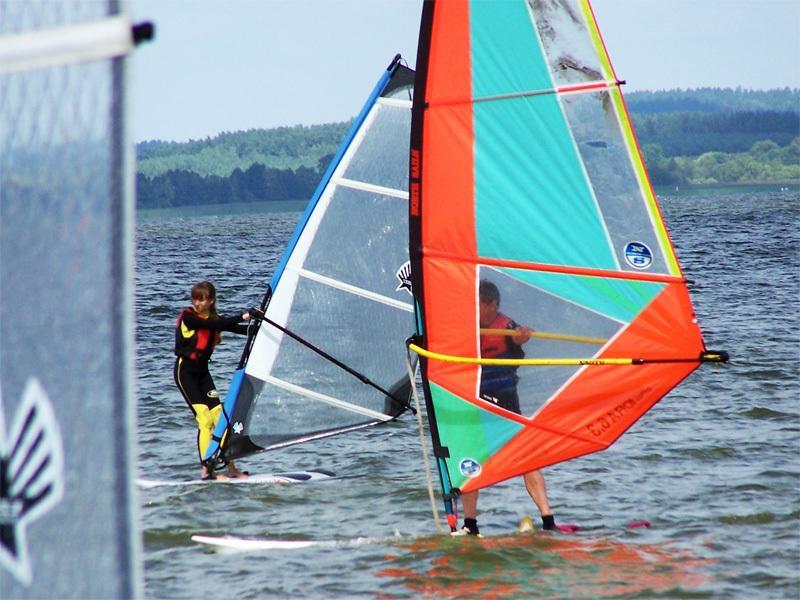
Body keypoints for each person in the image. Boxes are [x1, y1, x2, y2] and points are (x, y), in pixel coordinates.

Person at [453, 279, 558, 536]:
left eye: (478, 304)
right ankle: (469, 525)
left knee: (528, 459)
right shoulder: (466, 328)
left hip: (507, 402)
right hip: (475, 403)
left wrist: (521, 340)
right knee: (470, 461)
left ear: (493, 305)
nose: (474, 310)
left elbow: (518, 343)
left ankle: (548, 520)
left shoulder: (508, 328)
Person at [174, 280, 253, 480]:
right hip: (186, 373)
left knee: (221, 420)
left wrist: (258, 326)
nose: (198, 303)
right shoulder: (189, 317)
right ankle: (207, 471)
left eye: (202, 300)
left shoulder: (215, 319)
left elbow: (236, 328)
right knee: (204, 419)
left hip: (203, 374)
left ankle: (231, 468)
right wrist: (243, 315)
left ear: (211, 301)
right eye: (195, 300)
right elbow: (214, 324)